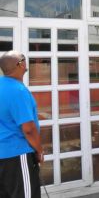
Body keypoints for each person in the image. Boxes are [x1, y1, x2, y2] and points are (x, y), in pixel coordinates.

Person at [0, 51, 43, 198]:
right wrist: (39, 150)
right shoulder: (18, 90)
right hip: (17, 156)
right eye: (24, 59)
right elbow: (28, 129)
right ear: (21, 65)